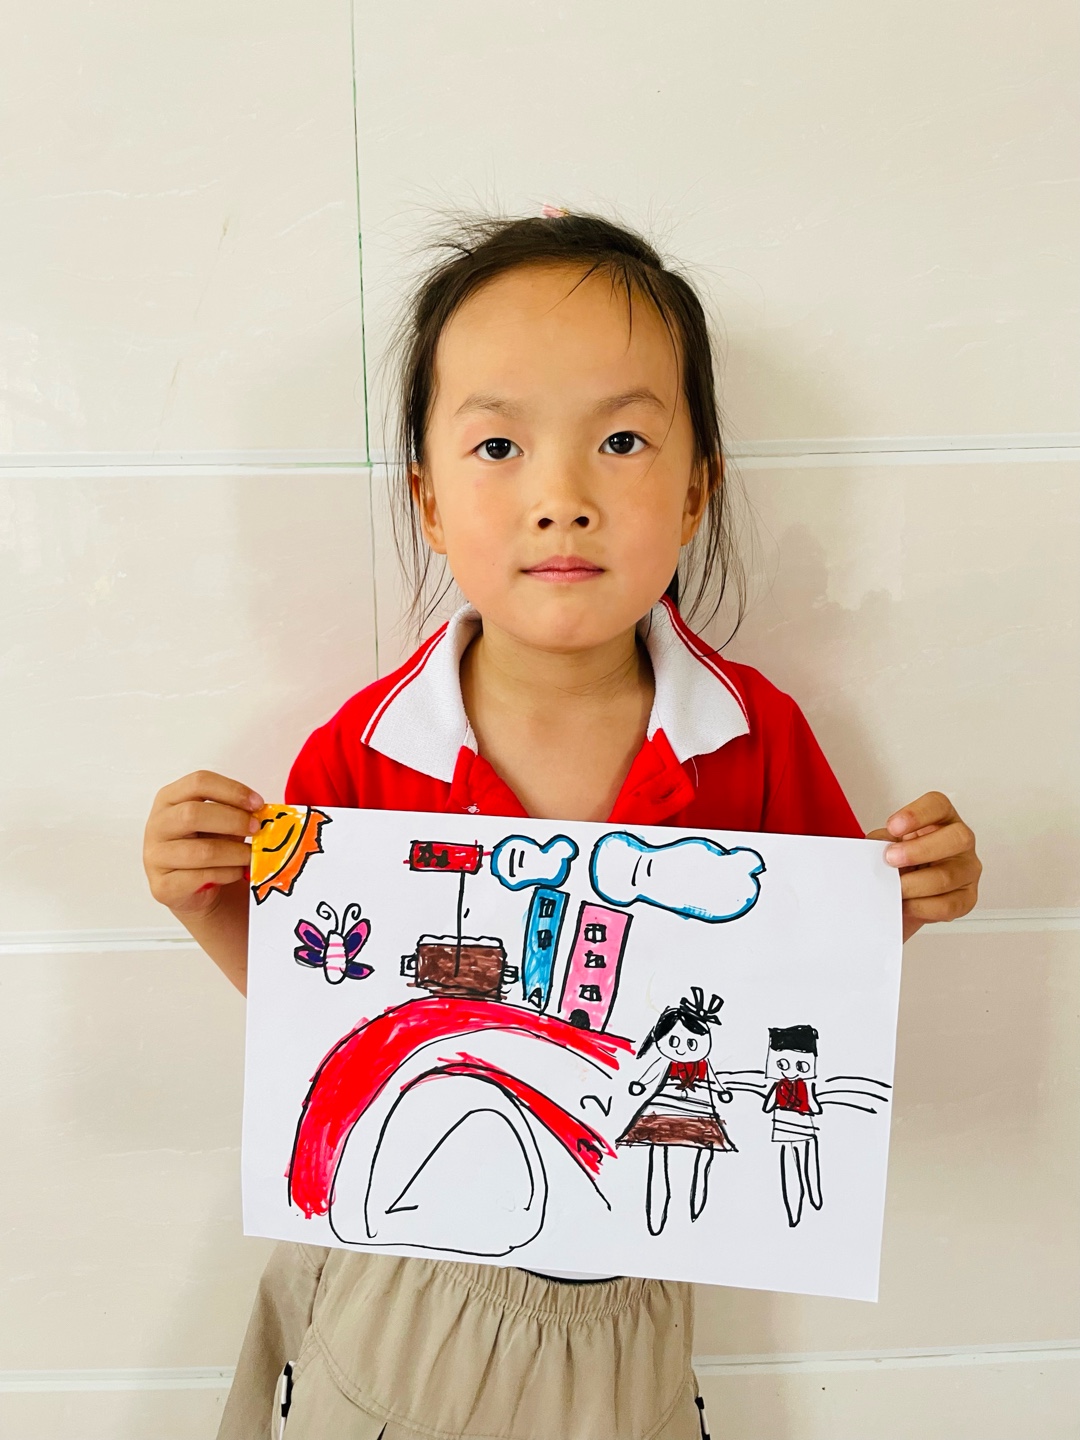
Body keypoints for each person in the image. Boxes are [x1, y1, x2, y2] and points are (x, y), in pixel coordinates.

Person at [142, 213, 983, 1440]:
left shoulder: (755, 740)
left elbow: (808, 981)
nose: (561, 499)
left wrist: (908, 898)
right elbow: (320, 1010)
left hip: (630, 1297)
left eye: (621, 441)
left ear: (696, 491)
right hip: (401, 1284)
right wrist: (205, 902)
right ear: (430, 500)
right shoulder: (362, 751)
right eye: (498, 445)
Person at [619, 988, 734, 1234]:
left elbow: (714, 1080)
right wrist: (641, 1084)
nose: (682, 1050)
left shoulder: (704, 1065)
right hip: (665, 1108)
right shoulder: (668, 1062)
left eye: (691, 1043)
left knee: (703, 1154)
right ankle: (659, 1212)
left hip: (698, 1110)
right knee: (658, 1153)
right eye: (673, 1042)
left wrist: (722, 1091)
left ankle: (695, 1207)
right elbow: (653, 1073)